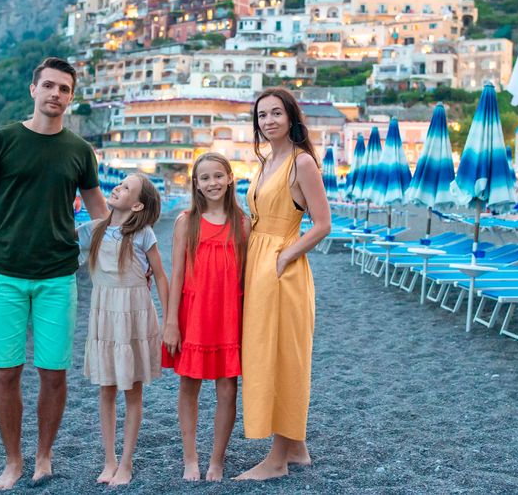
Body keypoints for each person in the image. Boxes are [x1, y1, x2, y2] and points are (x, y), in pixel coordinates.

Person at [0, 56, 108, 491]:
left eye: (64, 89)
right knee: (5, 371)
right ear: (33, 90)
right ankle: (13, 461)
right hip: (4, 273)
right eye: (49, 86)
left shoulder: (80, 151)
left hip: (58, 276)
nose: (55, 95)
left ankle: (44, 456)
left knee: (53, 372)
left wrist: (133, 239)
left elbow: (102, 213)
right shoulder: (3, 140)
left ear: (71, 96)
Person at [235, 87, 331, 481]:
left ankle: (276, 460)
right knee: (264, 352)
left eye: (276, 113)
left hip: (281, 269)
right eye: (262, 115)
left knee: (282, 358)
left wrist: (286, 255)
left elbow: (323, 224)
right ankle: (297, 448)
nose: (269, 120)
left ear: (291, 118)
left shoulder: (301, 162)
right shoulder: (265, 163)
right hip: (259, 262)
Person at [162, 152, 248, 482]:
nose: (212, 183)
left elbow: (246, 278)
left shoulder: (243, 223)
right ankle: (190, 458)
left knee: (228, 389)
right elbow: (177, 274)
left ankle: (217, 459)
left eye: (217, 176)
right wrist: (171, 322)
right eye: (205, 178)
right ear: (196, 185)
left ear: (229, 178)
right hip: (193, 316)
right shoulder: (187, 221)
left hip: (228, 316)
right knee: (189, 385)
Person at [82, 173, 168, 486]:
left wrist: (169, 319)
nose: (118, 187)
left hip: (134, 316)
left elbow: (159, 276)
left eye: (127, 187)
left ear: (137, 205)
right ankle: (109, 460)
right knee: (106, 390)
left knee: (132, 391)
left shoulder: (143, 233)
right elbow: (55, 243)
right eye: (120, 182)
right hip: (104, 318)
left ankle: (127, 463)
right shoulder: (94, 230)